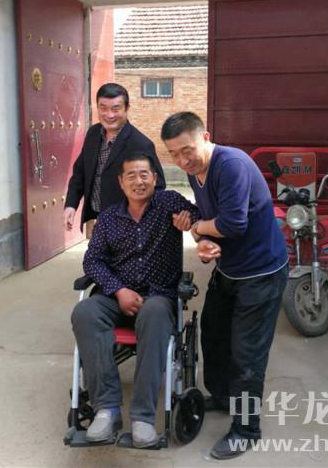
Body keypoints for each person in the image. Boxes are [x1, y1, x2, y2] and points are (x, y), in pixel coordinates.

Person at [161, 112, 288, 460]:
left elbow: (232, 223)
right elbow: (209, 224)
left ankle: (246, 430)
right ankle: (223, 395)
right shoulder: (196, 172)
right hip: (229, 270)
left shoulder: (230, 164)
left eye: (187, 150)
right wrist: (203, 241)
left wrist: (197, 228)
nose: (182, 160)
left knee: (247, 354)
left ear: (205, 137)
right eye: (174, 154)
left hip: (261, 273)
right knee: (214, 335)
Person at [70, 152, 199, 448]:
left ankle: (142, 417)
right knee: (84, 312)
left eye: (144, 174)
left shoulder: (168, 202)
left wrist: (189, 220)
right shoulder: (108, 218)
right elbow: (93, 261)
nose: (139, 181)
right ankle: (107, 410)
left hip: (157, 297)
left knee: (154, 312)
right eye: (131, 175)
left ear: (154, 178)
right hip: (116, 297)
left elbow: (198, 215)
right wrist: (119, 290)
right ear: (121, 182)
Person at [64, 83, 165, 231]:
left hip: (127, 224)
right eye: (103, 108)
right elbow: (80, 173)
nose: (109, 115)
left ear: (127, 109)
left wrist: (139, 221)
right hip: (98, 219)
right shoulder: (93, 133)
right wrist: (71, 205)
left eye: (115, 109)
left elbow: (158, 187)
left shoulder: (141, 144)